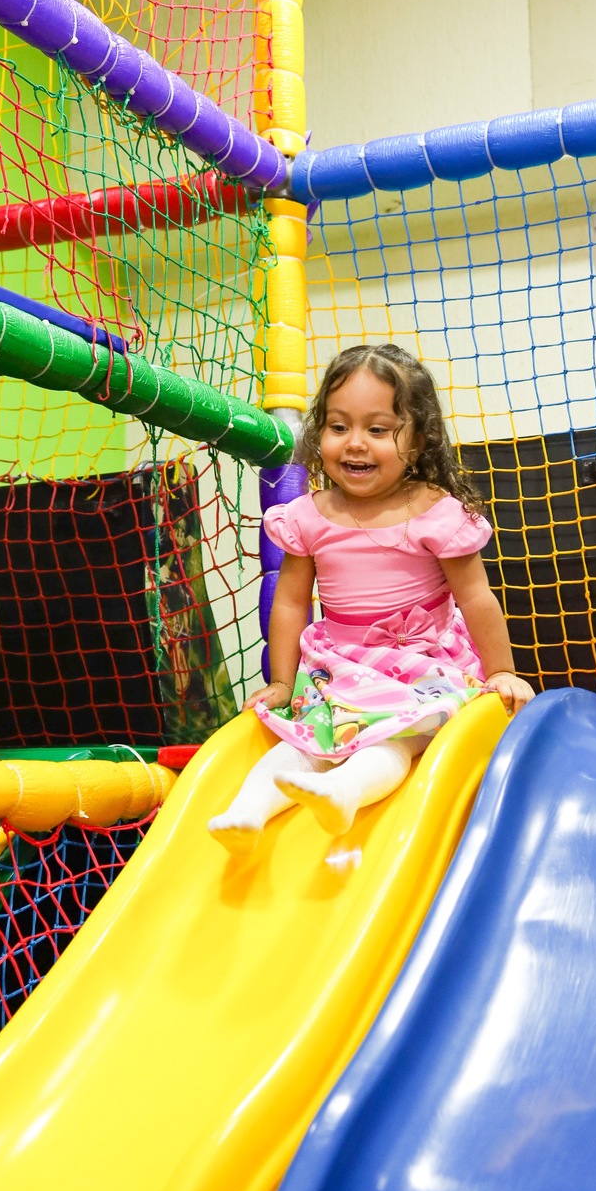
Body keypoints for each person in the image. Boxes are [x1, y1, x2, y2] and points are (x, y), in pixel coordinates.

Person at [207, 343, 535, 854]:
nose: (354, 444)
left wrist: (501, 671)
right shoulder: (308, 516)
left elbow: (476, 598)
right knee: (304, 737)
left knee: (396, 738)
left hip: (420, 663)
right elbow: (292, 603)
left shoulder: (434, 512)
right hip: (340, 664)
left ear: (418, 439)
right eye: (338, 427)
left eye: (378, 430)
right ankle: (247, 813)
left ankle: (345, 790)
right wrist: (279, 680)